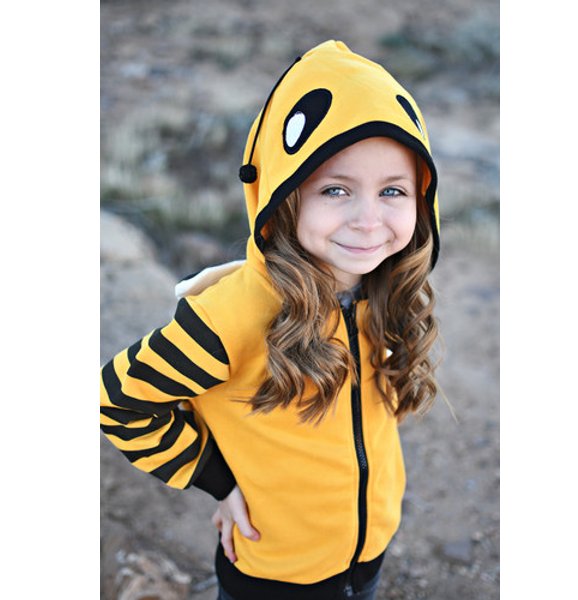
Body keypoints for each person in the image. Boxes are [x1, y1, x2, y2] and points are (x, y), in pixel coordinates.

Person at [100, 39, 441, 600]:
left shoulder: (385, 289)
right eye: (336, 189)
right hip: (272, 574)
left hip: (368, 553)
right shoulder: (231, 314)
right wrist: (217, 481)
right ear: (284, 195)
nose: (368, 219)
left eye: (392, 191)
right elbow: (118, 399)